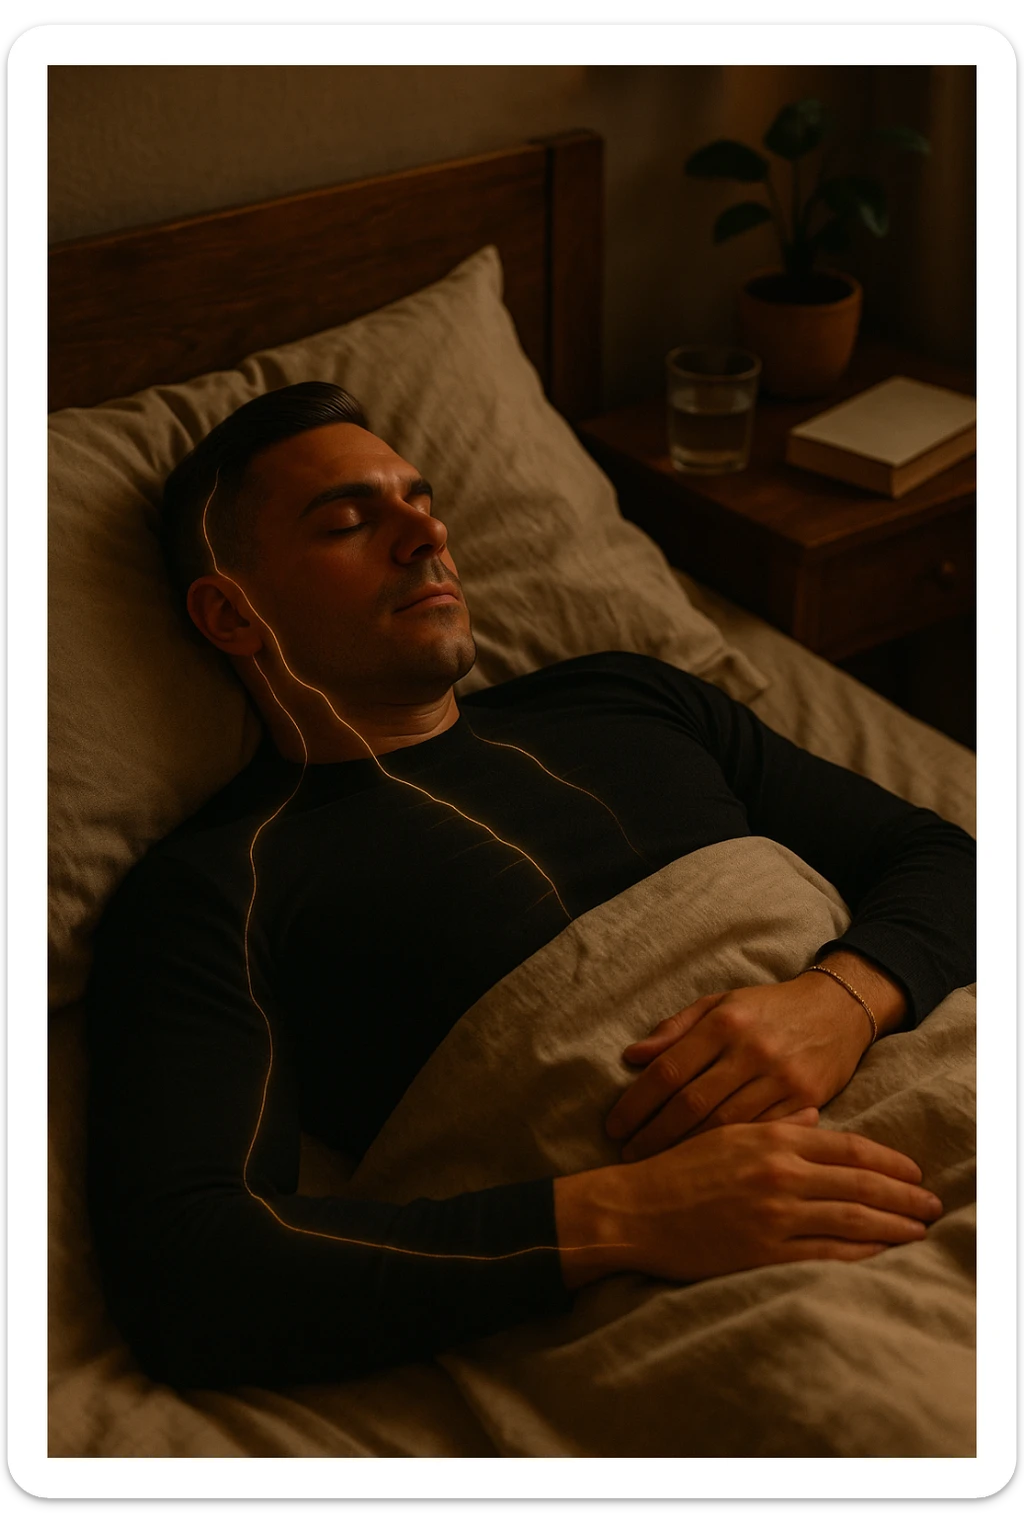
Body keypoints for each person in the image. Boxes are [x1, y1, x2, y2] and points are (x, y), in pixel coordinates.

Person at [85, 383, 974, 1389]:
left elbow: (948, 859)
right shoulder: (215, 891)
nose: (425, 533)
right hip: (741, 1287)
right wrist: (630, 1214)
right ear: (230, 613)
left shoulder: (629, 695)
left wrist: (844, 998)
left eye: (421, 500)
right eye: (346, 521)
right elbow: (192, 1269)